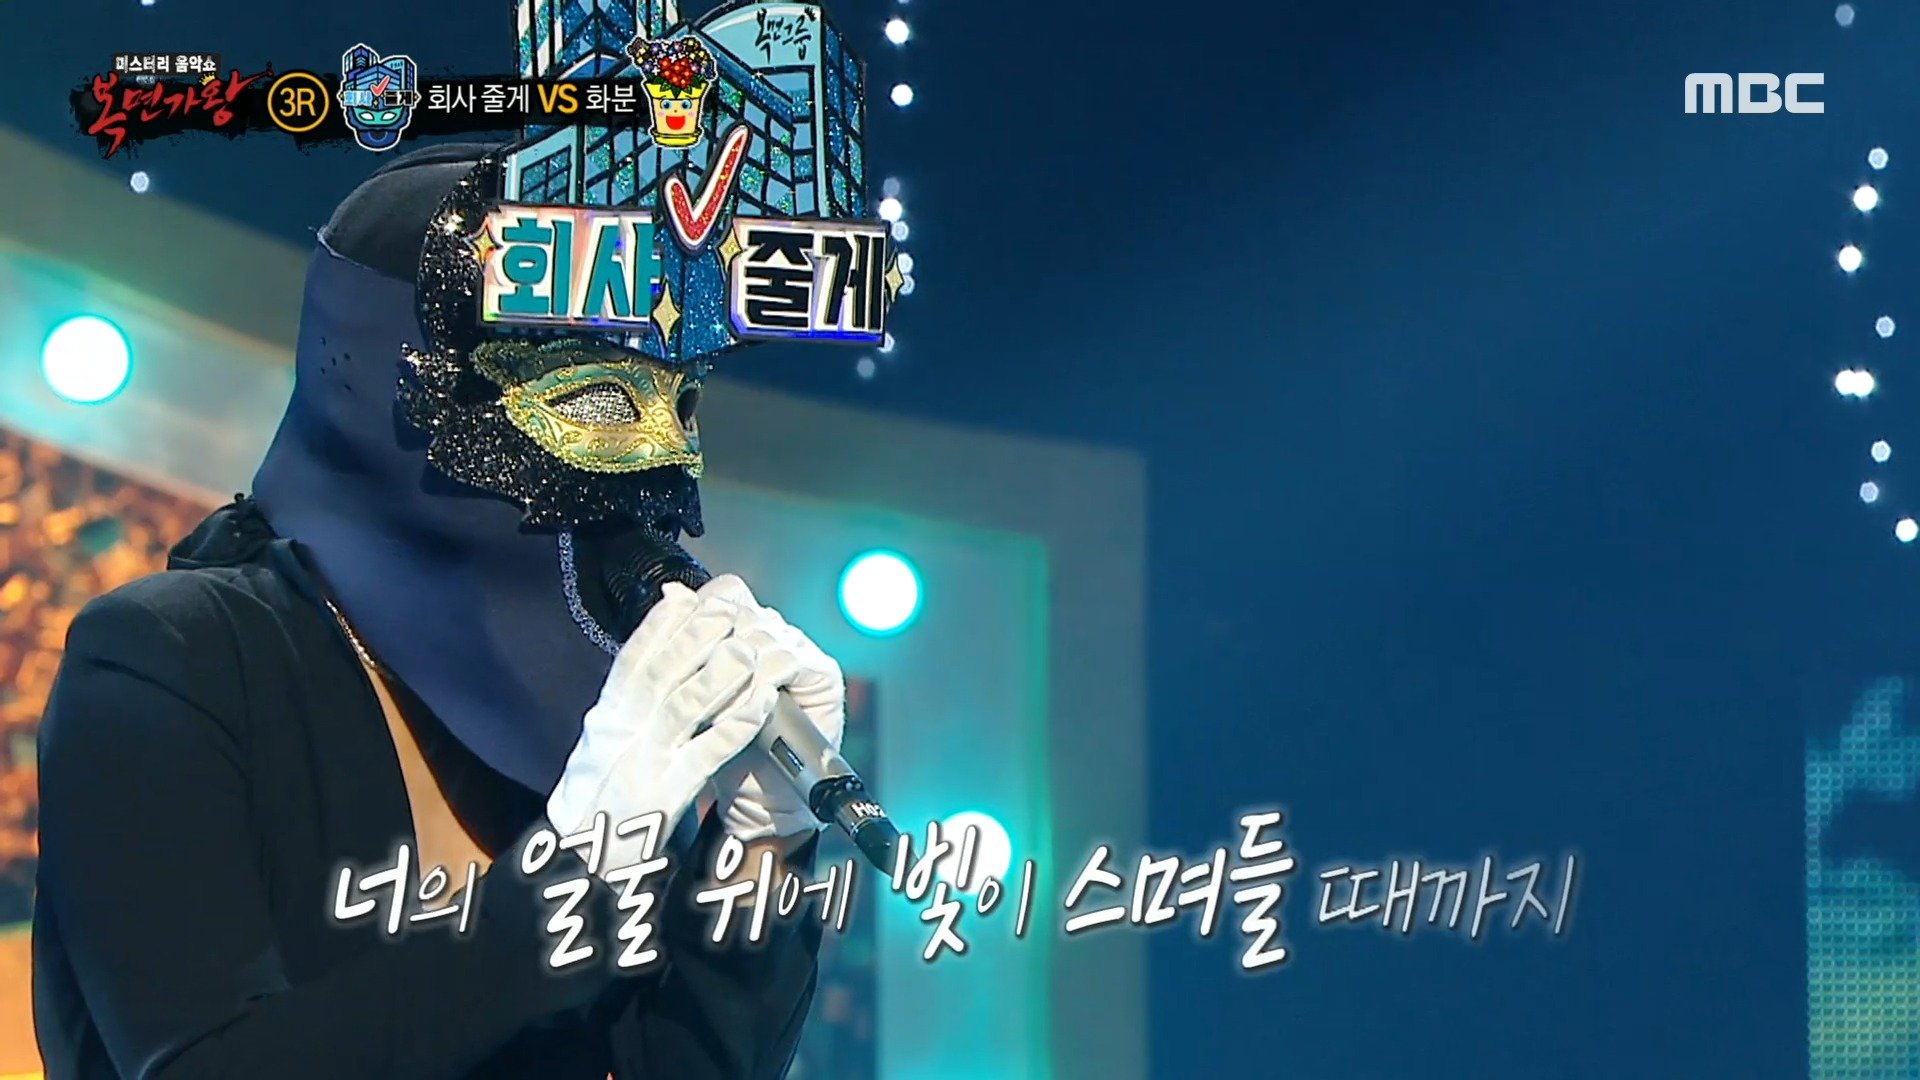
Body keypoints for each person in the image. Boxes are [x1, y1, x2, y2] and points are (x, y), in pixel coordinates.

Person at [33, 144, 844, 1078]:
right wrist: (572, 873)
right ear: (402, 384)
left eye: (682, 403)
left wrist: (763, 839)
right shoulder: (166, 660)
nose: (659, 459)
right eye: (599, 399)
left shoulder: (595, 725)